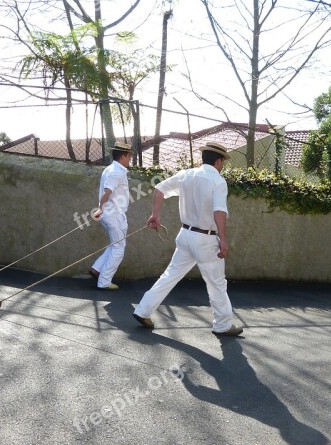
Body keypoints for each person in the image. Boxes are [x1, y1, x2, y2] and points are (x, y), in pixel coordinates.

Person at [132, 142, 243, 336]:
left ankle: (143, 310)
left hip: (185, 235)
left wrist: (155, 215)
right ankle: (223, 325)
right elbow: (219, 211)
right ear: (218, 161)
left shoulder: (187, 174)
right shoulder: (217, 181)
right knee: (216, 283)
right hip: (206, 240)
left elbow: (159, 189)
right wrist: (223, 239)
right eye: (222, 162)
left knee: (170, 275)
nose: (222, 165)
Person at [90, 142, 134, 290]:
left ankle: (97, 269)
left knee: (114, 245)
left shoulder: (111, 169)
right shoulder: (117, 172)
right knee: (118, 249)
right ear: (123, 156)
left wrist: (101, 210)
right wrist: (100, 209)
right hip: (114, 215)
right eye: (129, 156)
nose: (130, 159)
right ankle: (104, 282)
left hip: (110, 214)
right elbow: (107, 192)